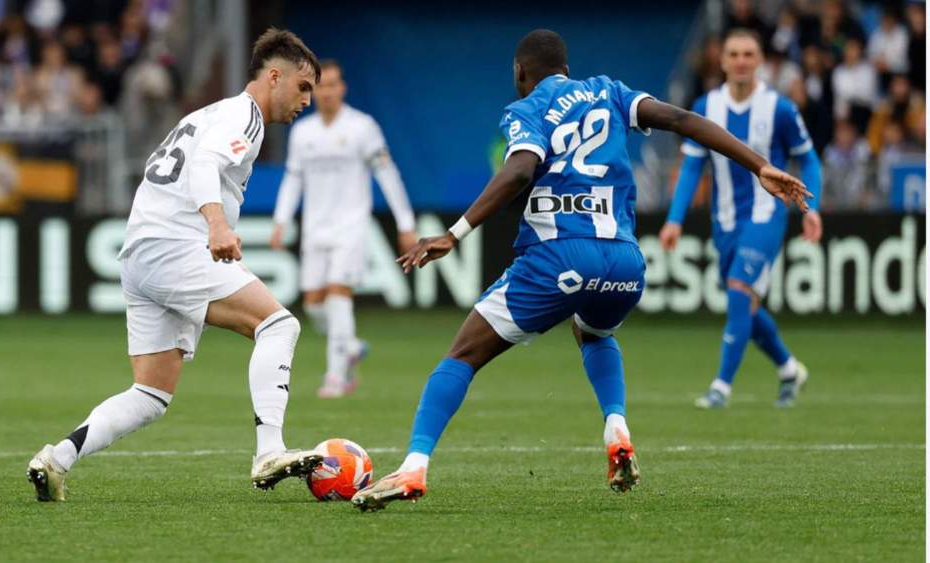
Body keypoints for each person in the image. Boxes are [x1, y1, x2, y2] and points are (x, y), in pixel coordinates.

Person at [351, 29, 811, 512]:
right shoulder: (611, 91)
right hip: (625, 262)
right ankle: (617, 428)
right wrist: (760, 165)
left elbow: (520, 170)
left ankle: (414, 466)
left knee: (462, 355)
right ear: (567, 67)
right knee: (592, 334)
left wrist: (454, 233)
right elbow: (681, 118)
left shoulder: (525, 109)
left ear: (520, 73)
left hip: (560, 255)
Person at [26, 28, 324, 502]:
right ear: (274, 77)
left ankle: (56, 458)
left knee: (150, 395)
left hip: (141, 252)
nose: (308, 99)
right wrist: (217, 225)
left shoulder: (209, 112)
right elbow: (205, 165)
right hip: (176, 244)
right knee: (278, 325)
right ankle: (269, 450)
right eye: (304, 87)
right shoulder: (245, 116)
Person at [658, 29, 823, 409]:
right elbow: (691, 168)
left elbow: (809, 159)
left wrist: (811, 210)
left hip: (767, 216)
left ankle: (721, 387)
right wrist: (674, 219)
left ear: (760, 59)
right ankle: (788, 369)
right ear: (722, 61)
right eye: (734, 54)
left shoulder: (779, 109)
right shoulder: (705, 107)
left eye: (749, 53)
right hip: (725, 221)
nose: (741, 61)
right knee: (745, 304)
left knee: (737, 287)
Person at [271, 60, 416, 398]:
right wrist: (281, 219)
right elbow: (293, 179)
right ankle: (349, 346)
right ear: (311, 89)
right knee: (314, 305)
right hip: (315, 229)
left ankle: (336, 377)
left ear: (342, 88)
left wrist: (405, 223)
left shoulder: (362, 127)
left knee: (339, 296)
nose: (326, 92)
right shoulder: (302, 132)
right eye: (320, 85)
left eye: (333, 84)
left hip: (351, 226)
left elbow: (387, 174)